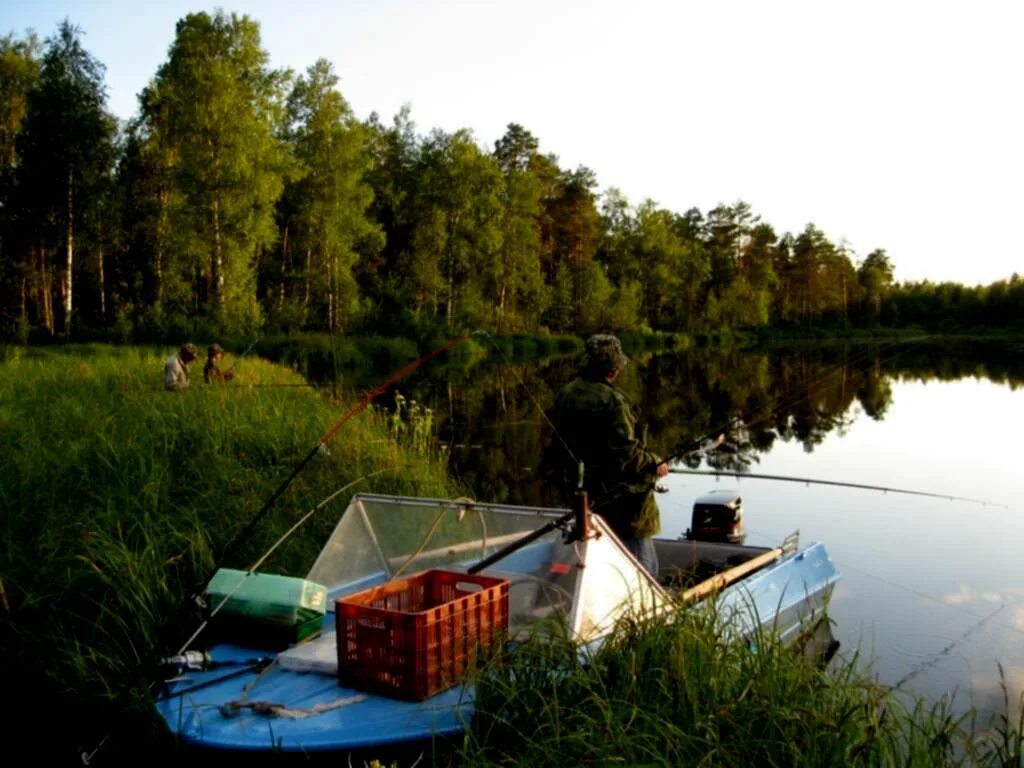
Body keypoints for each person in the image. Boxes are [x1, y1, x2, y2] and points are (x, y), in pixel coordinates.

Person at [547, 334, 668, 577]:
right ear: (612, 370)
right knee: (644, 573)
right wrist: (656, 463)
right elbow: (626, 458)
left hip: (583, 499)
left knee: (598, 567)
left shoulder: (567, 394)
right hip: (624, 508)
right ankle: (645, 611)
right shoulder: (613, 402)